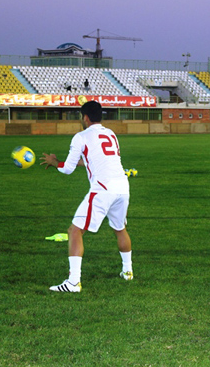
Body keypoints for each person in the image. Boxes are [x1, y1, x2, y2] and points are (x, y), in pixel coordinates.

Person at [40, 100, 133, 293]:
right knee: (120, 228)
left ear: (85, 117)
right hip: (122, 186)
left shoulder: (81, 136)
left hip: (103, 188)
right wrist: (62, 161)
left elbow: (67, 169)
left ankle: (73, 283)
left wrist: (54, 162)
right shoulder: (111, 134)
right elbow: (99, 158)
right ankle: (127, 272)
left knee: (75, 230)